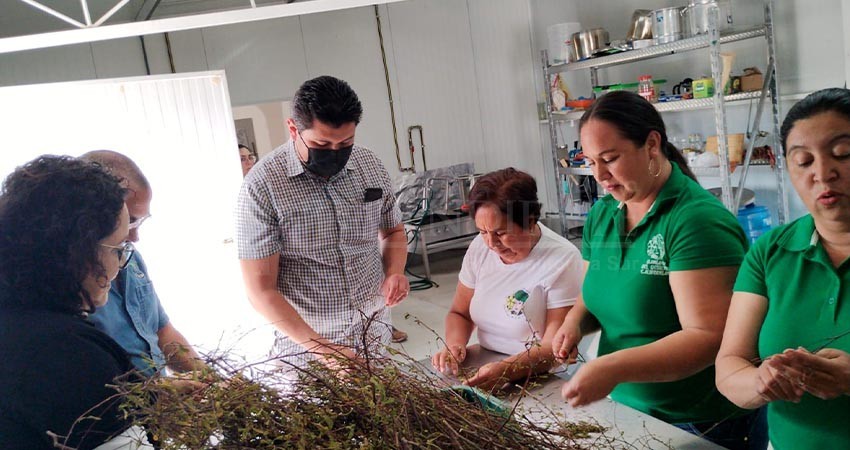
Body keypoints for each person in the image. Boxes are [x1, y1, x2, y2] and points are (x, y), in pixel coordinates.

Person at [551, 91, 765, 449]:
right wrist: (574, 323)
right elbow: (594, 294)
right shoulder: (604, 214)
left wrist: (610, 368)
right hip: (629, 409)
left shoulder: (696, 222)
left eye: (610, 159)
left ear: (652, 144)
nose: (599, 175)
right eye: (590, 162)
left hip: (699, 421)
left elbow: (708, 338)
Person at [236, 75, 409, 371]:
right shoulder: (262, 187)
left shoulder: (370, 166)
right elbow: (260, 291)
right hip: (307, 343)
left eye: (345, 143)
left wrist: (394, 271)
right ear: (293, 129)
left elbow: (393, 230)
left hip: (374, 327)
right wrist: (324, 350)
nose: (334, 153)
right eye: (321, 143)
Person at [716, 88, 850, 450]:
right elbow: (729, 366)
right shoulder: (770, 252)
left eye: (843, 154)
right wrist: (761, 381)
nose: (823, 173)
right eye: (804, 161)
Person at [0, 155, 138, 449]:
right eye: (118, 248)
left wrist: (153, 393)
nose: (119, 266)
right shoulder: (66, 352)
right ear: (80, 251)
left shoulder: (14, 320)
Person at [431, 168, 583, 390]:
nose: (491, 243)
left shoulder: (561, 258)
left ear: (530, 222)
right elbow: (459, 313)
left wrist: (507, 370)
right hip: (486, 360)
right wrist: (454, 345)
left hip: (543, 374)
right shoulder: (479, 248)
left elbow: (553, 346)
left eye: (501, 233)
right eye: (483, 232)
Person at [81, 150, 203, 377]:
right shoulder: (74, 279)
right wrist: (156, 393)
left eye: (140, 220)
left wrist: (212, 381)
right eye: (131, 222)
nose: (135, 237)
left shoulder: (132, 258)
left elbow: (162, 332)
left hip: (159, 405)